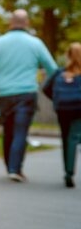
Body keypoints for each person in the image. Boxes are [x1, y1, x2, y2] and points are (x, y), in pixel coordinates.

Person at [0, 9, 57, 182]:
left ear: (10, 23)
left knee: (9, 130)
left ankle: (9, 166)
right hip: (26, 93)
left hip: (4, 93)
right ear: (26, 23)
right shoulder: (35, 43)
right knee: (20, 131)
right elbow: (53, 69)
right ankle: (15, 168)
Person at [42, 42, 81, 188]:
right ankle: (69, 172)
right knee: (74, 137)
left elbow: (46, 89)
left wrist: (58, 99)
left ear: (68, 56)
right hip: (78, 109)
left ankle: (68, 172)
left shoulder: (59, 73)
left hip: (63, 109)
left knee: (66, 139)